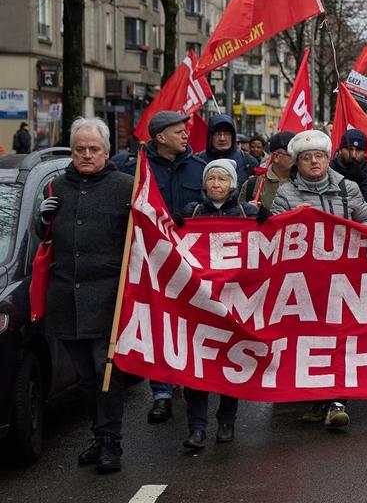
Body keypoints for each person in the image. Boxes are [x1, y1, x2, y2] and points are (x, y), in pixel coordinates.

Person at [40, 117, 135, 473]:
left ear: (106, 152)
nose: (86, 155)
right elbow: (44, 240)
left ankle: (111, 441)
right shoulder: (56, 186)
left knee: (105, 373)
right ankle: (98, 436)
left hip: (108, 298)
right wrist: (42, 220)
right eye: (79, 149)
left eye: (93, 149)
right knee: (84, 379)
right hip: (66, 297)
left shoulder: (125, 187)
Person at [272, 129, 367, 428]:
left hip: (343, 280)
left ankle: (337, 401)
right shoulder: (286, 194)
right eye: (307, 158)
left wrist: (354, 241)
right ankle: (318, 397)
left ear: (328, 158)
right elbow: (274, 233)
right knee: (310, 341)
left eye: (319, 156)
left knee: (340, 338)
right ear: (297, 162)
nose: (314, 162)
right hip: (304, 283)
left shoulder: (347, 188)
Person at [114, 110, 204, 422]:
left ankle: (193, 383)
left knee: (190, 323)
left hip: (191, 262)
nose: (186, 135)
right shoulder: (134, 169)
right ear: (160, 137)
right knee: (158, 322)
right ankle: (161, 393)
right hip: (151, 261)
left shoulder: (199, 169)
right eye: (179, 131)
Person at [176, 159, 259, 449]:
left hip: (234, 303)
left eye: (222, 179)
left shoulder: (247, 213)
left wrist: (266, 220)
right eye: (211, 179)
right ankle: (197, 427)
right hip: (199, 303)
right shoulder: (191, 212)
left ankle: (226, 421)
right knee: (196, 366)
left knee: (229, 364)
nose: (216, 184)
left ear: (232, 184)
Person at [197, 114, 258, 185]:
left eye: (227, 134)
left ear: (233, 136)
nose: (222, 138)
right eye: (218, 134)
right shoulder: (198, 161)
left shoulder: (249, 162)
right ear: (210, 137)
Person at [241, 131, 294, 208]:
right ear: (276, 157)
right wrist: (248, 209)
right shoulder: (253, 184)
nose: (296, 158)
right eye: (292, 154)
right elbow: (239, 211)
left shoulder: (303, 181)